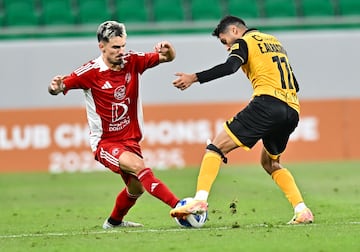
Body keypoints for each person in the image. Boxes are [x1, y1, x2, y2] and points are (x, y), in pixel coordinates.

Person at [170, 15, 314, 224]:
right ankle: (302, 210)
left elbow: (230, 67)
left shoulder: (244, 42)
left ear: (235, 31)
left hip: (267, 103)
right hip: (292, 109)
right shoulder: (274, 41)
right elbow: (295, 83)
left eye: (224, 41)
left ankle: (200, 200)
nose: (227, 47)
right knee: (271, 163)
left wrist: (194, 77)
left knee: (215, 148)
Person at [48, 21, 179, 228]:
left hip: (131, 140)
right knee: (139, 167)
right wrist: (54, 87)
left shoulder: (132, 61)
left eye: (123, 46)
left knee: (137, 188)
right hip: (105, 143)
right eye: (115, 47)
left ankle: (114, 222)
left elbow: (166, 58)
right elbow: (60, 87)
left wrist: (169, 51)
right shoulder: (89, 72)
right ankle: (180, 207)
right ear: (102, 46)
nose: (121, 51)